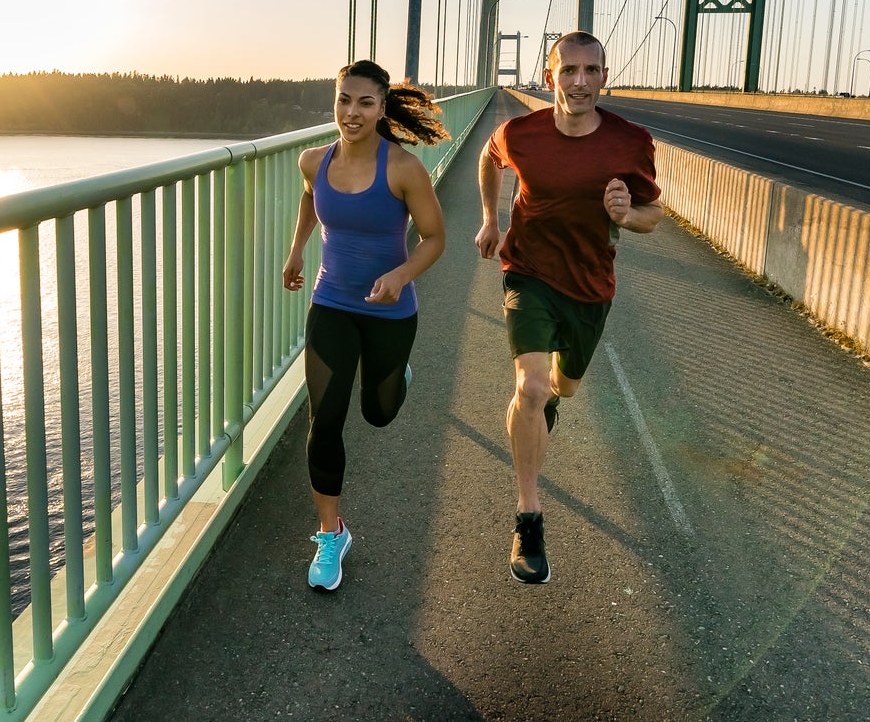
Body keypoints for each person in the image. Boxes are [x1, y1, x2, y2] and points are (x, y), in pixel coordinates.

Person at [474, 31, 664, 584]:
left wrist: (628, 216)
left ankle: (542, 409)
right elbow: (489, 158)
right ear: (549, 74)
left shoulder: (631, 142)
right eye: (569, 71)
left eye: (592, 71)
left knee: (563, 388)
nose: (580, 82)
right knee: (530, 388)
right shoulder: (519, 133)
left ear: (605, 76)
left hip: (590, 285)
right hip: (527, 272)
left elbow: (653, 214)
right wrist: (490, 219)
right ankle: (528, 518)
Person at [282, 59, 449, 591]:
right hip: (331, 303)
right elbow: (311, 199)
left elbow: (435, 238)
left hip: (389, 310)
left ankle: (396, 377)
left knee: (378, 414)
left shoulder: (402, 168)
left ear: (382, 109)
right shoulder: (313, 160)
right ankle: (331, 533)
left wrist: (400, 275)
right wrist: (296, 251)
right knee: (324, 420)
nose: (351, 113)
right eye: (343, 100)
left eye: (365, 103)